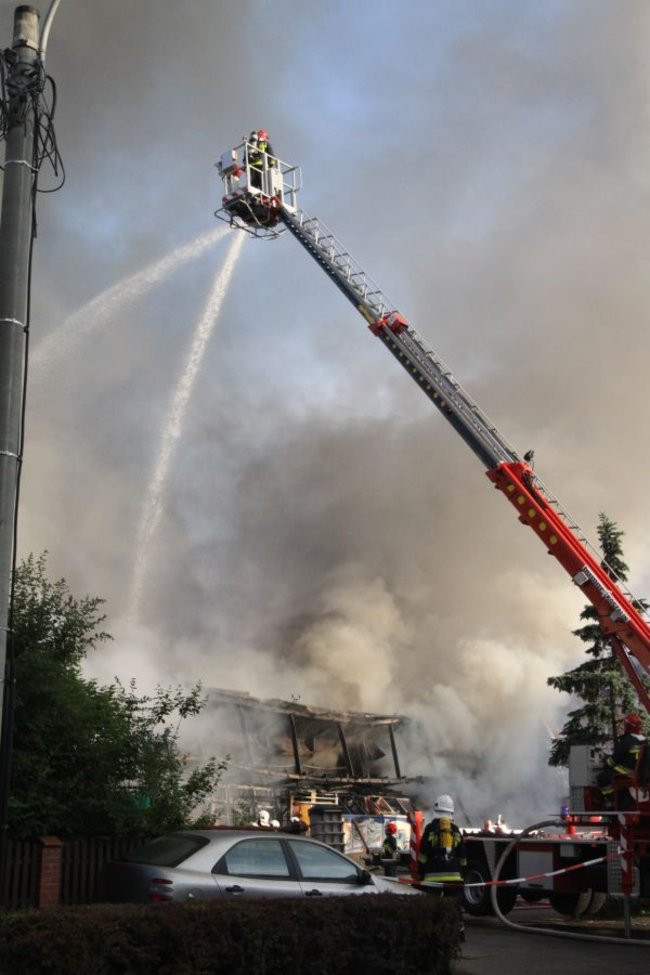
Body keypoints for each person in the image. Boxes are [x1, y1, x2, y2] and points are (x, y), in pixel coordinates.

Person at [417, 794, 467, 890]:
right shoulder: (455, 829)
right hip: (455, 878)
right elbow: (462, 855)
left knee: (433, 904)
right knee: (452, 904)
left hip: (432, 878)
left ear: (436, 810)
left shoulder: (430, 828)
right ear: (451, 811)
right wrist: (463, 872)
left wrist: (420, 872)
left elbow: (423, 854)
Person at [597, 713, 646, 809]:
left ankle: (614, 801)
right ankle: (624, 799)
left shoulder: (627, 740)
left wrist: (606, 763)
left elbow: (613, 760)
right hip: (640, 774)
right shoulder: (644, 741)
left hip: (626, 772)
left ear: (627, 726)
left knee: (602, 778)